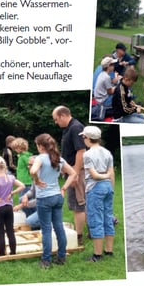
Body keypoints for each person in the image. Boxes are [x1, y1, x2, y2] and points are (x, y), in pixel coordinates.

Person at [30, 133, 77, 268]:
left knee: (46, 230)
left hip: (44, 198)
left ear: (40, 146)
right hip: (57, 196)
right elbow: (73, 173)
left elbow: (33, 171)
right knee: (59, 227)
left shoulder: (40, 158)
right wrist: (64, 189)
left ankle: (46, 260)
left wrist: (37, 180)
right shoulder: (58, 158)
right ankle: (61, 257)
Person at [52, 105, 87, 245]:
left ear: (62, 115)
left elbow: (81, 151)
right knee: (80, 202)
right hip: (71, 170)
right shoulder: (68, 128)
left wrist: (75, 173)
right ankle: (92, 231)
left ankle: (78, 236)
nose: (56, 122)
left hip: (76, 171)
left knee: (78, 204)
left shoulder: (76, 127)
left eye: (56, 119)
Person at [81, 126, 115, 262]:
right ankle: (109, 250)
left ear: (88, 138)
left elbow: (94, 175)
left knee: (95, 220)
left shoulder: (87, 154)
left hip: (95, 188)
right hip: (108, 188)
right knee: (108, 217)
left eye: (83, 137)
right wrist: (110, 186)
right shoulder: (107, 152)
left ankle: (97, 255)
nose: (83, 139)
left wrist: (104, 176)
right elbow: (112, 173)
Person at [0, 156, 25, 257]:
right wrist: (12, 193)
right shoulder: (11, 178)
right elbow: (22, 186)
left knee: (0, 232)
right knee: (10, 230)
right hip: (9, 207)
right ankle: (13, 252)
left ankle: (1, 254)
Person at [13, 155, 40, 228]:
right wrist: (25, 196)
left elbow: (40, 200)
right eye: (28, 164)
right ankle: (34, 217)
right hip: (40, 205)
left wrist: (21, 205)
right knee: (21, 199)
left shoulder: (43, 179)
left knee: (29, 222)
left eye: (31, 165)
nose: (28, 166)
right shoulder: (35, 177)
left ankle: (48, 222)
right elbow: (32, 192)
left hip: (46, 208)